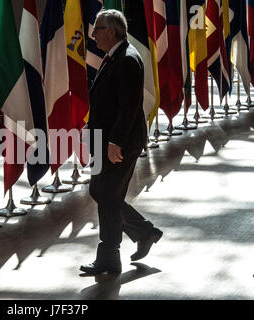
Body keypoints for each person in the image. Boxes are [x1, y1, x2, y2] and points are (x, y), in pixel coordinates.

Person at [80, 9, 163, 275]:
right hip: (105, 139)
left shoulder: (127, 58)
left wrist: (115, 142)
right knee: (101, 191)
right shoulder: (115, 56)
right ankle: (144, 232)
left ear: (112, 31)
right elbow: (108, 101)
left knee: (107, 195)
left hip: (119, 142)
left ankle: (109, 257)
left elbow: (128, 108)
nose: (93, 34)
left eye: (97, 29)